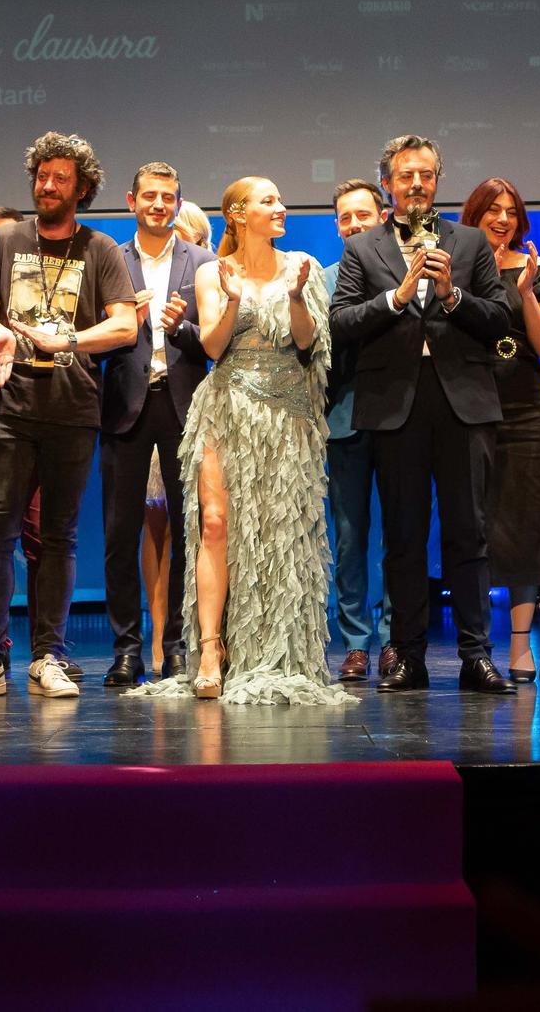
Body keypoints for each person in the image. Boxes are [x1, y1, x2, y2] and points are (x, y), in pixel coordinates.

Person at [128, 177, 350, 705]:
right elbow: (211, 344)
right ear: (238, 213)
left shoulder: (303, 266)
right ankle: (210, 650)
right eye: (269, 201)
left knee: (278, 533)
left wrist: (296, 295)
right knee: (215, 524)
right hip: (226, 407)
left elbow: (305, 340)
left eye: (280, 198)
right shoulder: (212, 270)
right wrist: (230, 302)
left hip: (288, 414)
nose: (281, 207)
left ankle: (277, 648)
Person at [0, 133, 136, 701]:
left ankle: (49, 655)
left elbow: (125, 325)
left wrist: (68, 340)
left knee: (58, 537)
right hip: (9, 405)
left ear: (82, 187)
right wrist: (0, 331)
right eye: (41, 175)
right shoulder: (6, 240)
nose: (47, 185)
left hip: (73, 408)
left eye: (60, 178)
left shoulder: (100, 249)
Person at [331, 134, 515, 694]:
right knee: (405, 538)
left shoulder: (471, 242)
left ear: (438, 180)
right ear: (387, 183)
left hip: (462, 402)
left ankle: (476, 656)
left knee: (469, 534)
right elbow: (341, 322)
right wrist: (398, 295)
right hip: (395, 409)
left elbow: (499, 319)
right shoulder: (365, 248)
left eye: (427, 175)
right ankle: (407, 655)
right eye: (406, 175)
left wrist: (452, 295)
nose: (417, 184)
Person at [97, 162, 215, 685]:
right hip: (124, 405)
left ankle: (181, 646)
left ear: (178, 202)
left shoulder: (205, 262)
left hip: (184, 404)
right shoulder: (108, 261)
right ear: (131, 201)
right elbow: (88, 337)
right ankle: (127, 650)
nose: (158, 205)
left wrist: (181, 328)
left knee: (192, 532)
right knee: (120, 534)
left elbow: (217, 341)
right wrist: (128, 327)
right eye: (149, 196)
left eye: (168, 196)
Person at [459, 178, 540, 683]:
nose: (502, 219)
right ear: (473, 215)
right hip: (468, 405)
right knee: (472, 524)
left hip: (525, 410)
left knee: (525, 525)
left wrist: (525, 295)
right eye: (492, 210)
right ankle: (475, 645)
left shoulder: (534, 270)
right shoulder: (455, 265)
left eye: (511, 212)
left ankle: (520, 643)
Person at [324, 179, 395, 683]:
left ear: (383, 216)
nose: (354, 225)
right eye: (345, 218)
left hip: (399, 419)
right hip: (343, 421)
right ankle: (354, 644)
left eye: (362, 215)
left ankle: (394, 639)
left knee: (400, 534)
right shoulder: (324, 280)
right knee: (350, 539)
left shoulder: (402, 271)